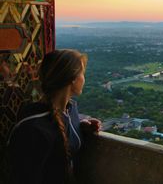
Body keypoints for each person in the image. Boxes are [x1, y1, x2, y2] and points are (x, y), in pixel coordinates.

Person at [7, 49, 101, 184]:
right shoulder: (33, 130)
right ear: (73, 79)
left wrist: (80, 125)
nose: (84, 78)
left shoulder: (70, 110)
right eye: (82, 73)